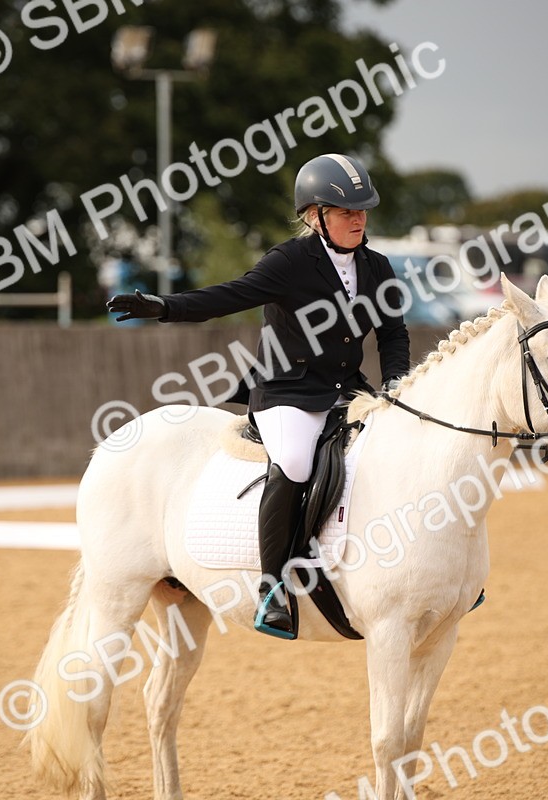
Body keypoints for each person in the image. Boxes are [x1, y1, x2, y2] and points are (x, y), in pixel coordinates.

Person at [107, 154, 410, 639]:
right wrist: (163, 306)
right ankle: (274, 588)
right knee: (292, 461)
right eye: (346, 211)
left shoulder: (377, 266)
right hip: (287, 392)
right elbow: (228, 296)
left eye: (362, 210)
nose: (358, 219)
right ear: (315, 215)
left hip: (348, 391)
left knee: (402, 446)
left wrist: (396, 383)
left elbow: (394, 335)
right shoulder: (289, 262)